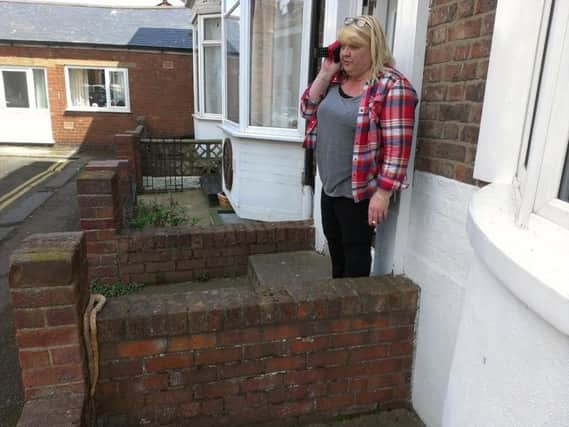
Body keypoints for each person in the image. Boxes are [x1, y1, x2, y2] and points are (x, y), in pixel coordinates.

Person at [300, 15, 417, 278]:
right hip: (329, 187)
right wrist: (326, 71)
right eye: (343, 47)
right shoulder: (334, 80)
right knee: (336, 251)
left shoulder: (392, 87)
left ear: (374, 47)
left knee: (355, 256)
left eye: (354, 47)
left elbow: (398, 149)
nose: (346, 53)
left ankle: (353, 313)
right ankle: (338, 305)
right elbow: (307, 109)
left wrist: (383, 194)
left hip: (359, 194)